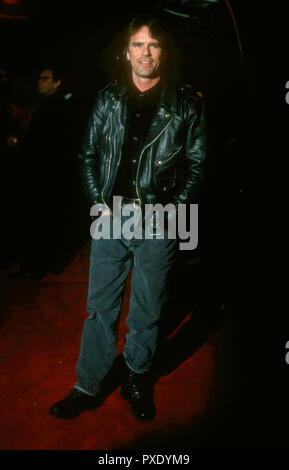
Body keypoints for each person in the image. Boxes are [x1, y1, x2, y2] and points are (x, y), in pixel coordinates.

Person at [49, 15, 208, 422]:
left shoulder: (186, 104)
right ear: (126, 52)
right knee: (100, 308)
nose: (145, 52)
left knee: (147, 309)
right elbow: (86, 154)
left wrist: (173, 211)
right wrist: (99, 202)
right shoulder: (108, 100)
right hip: (111, 218)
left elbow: (197, 163)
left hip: (160, 220)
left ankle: (137, 377)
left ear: (163, 52)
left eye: (153, 45)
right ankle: (88, 385)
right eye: (138, 44)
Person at [9, 66, 77, 279]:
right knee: (46, 222)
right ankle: (42, 264)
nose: (40, 82)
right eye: (39, 78)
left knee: (39, 222)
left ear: (57, 83)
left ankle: (35, 267)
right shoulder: (53, 105)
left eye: (46, 79)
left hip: (43, 176)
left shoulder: (54, 106)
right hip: (49, 176)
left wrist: (18, 143)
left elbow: (43, 145)